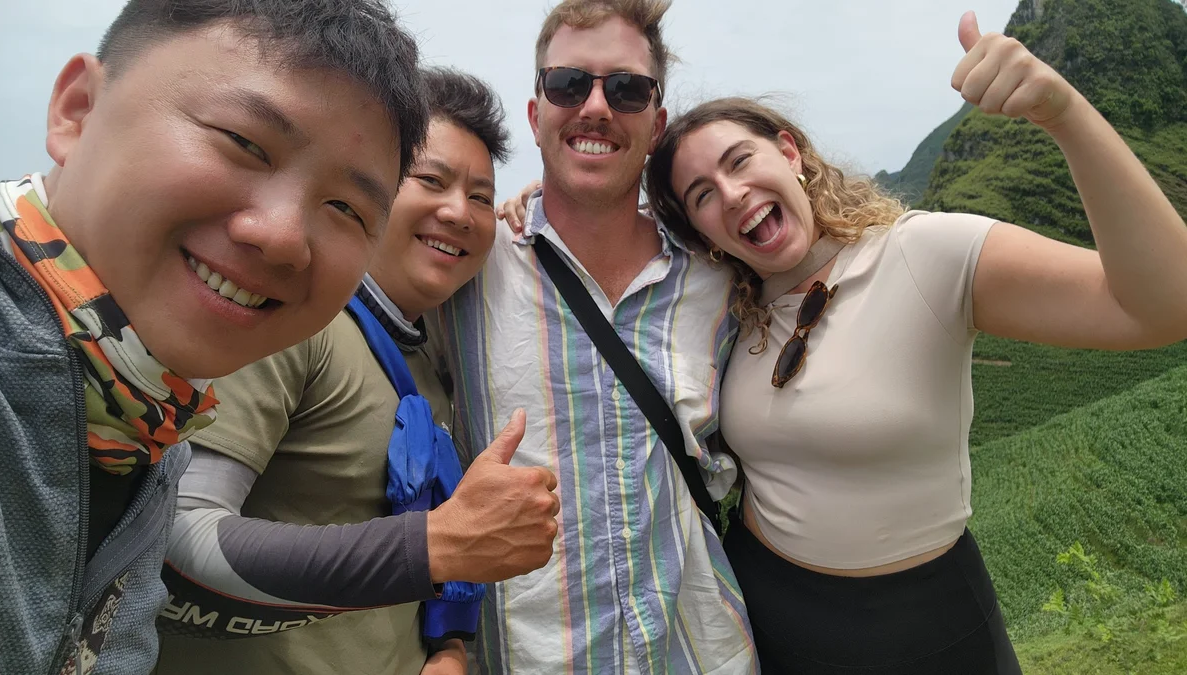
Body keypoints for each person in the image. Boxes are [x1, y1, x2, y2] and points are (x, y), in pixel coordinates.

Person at [638, 11, 1187, 674]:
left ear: (788, 152)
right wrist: (538, 208)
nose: (731, 193)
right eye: (701, 194)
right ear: (699, 230)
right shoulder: (722, 305)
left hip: (929, 625)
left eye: (739, 160)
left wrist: (1064, 112)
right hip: (769, 613)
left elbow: (1164, 306)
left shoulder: (924, 254)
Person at [0, 0, 430, 673]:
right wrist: (431, 548)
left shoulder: (151, 419)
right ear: (77, 109)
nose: (283, 236)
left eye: (345, 208)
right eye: (244, 142)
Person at [153, 68, 561, 675]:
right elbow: (176, 543)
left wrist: (447, 650)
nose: (459, 211)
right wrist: (436, 545)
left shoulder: (428, 362)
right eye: (431, 180)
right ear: (370, 192)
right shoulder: (288, 323)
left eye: (481, 196)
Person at [438, 0, 757, 672]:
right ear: (536, 112)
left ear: (656, 121)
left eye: (627, 89)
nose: (595, 107)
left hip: (698, 654)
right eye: (567, 84)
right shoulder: (469, 267)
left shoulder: (720, 280)